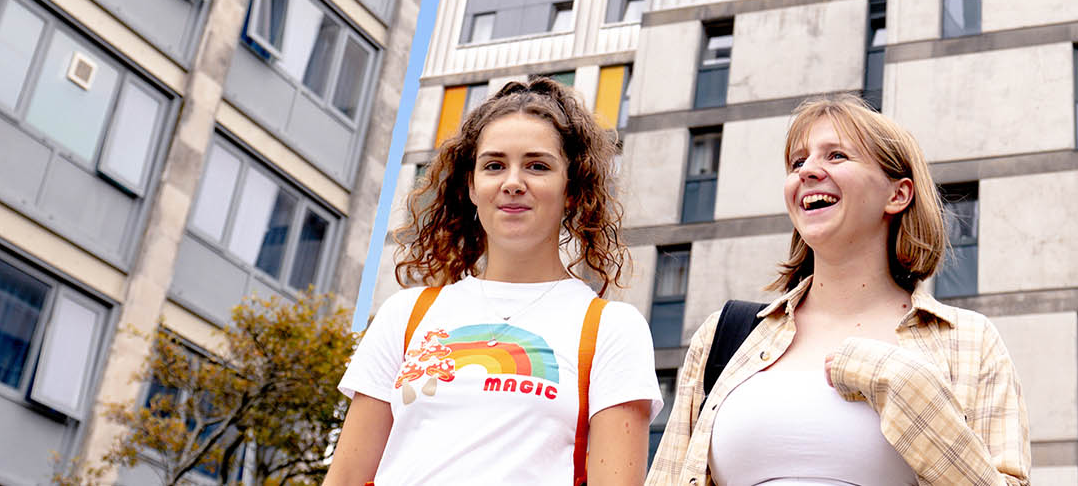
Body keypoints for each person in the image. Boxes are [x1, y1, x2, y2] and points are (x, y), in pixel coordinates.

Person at [646, 96, 1031, 485]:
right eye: (798, 162)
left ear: (897, 195)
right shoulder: (724, 337)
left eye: (837, 156)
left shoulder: (970, 342)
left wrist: (910, 392)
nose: (808, 171)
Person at [325, 78, 662, 485]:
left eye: (537, 166)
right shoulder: (406, 316)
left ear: (572, 190)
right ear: (471, 185)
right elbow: (344, 479)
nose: (513, 182)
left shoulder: (612, 329)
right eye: (494, 165)